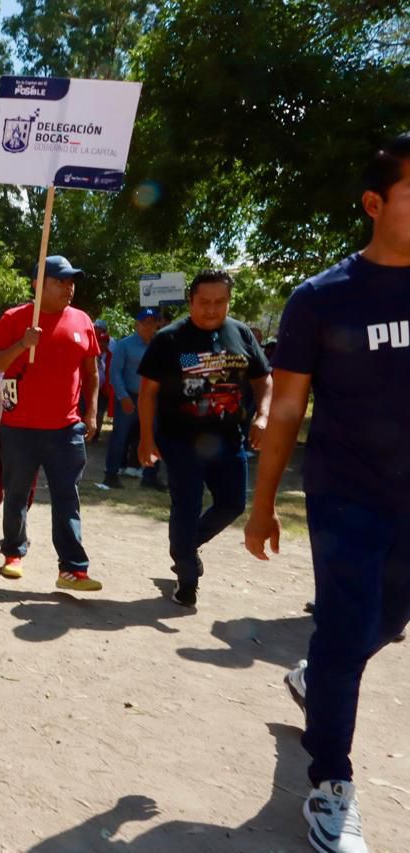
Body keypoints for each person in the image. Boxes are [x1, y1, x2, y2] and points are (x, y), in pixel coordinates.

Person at [244, 135, 410, 853]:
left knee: (388, 622)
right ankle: (331, 784)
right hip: (347, 495)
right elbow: (285, 411)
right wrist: (261, 503)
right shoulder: (321, 299)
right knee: (347, 628)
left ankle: (318, 675)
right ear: (375, 204)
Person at [137, 271, 271, 607]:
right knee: (187, 506)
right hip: (181, 439)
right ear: (191, 301)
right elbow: (148, 392)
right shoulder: (169, 339)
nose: (212, 309)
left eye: (220, 302)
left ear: (228, 301)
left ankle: (184, 546)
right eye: (204, 302)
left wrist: (264, 414)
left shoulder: (240, 333)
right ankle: (187, 579)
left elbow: (263, 380)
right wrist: (145, 437)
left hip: (229, 438)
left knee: (233, 504)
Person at [0, 255, 102, 590]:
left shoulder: (82, 320)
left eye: (71, 281)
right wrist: (23, 344)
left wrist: (91, 412)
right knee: (17, 493)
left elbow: (92, 373)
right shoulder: (13, 319)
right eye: (60, 281)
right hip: (19, 427)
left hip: (66, 428)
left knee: (67, 496)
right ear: (39, 284)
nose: (69, 288)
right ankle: (13, 552)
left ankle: (72, 568)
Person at [104, 308, 164, 489]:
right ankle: (111, 474)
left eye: (152, 322)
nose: (149, 326)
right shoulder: (124, 345)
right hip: (129, 397)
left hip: (152, 400)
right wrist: (123, 397)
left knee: (154, 437)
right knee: (120, 437)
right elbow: (115, 373)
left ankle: (150, 476)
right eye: (145, 322)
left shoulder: (160, 345)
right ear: (136, 325)